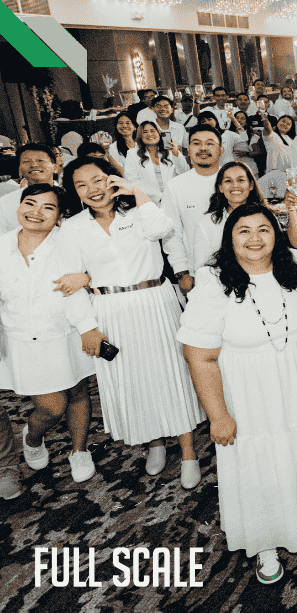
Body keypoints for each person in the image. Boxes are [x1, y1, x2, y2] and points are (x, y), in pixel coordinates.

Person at [179, 203, 297, 585]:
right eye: (243, 231)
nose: (254, 238)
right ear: (229, 238)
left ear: (276, 235)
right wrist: (219, 416)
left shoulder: (295, 265)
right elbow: (198, 356)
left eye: (263, 229)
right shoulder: (214, 280)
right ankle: (265, 541)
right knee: (259, 460)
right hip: (248, 392)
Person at [59, 158, 202, 487]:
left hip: (155, 303)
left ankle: (188, 452)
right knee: (134, 380)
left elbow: (162, 229)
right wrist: (87, 326)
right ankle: (155, 442)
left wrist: (135, 192)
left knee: (171, 376)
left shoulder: (139, 210)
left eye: (98, 180)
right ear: (75, 192)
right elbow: (69, 282)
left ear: (112, 179)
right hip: (109, 310)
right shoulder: (73, 228)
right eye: (82, 185)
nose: (93, 189)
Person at [2, 185, 106, 484]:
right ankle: (33, 436)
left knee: (77, 392)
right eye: (30, 203)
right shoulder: (2, 245)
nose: (36, 212)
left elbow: (94, 276)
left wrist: (87, 323)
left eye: (48, 207)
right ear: (18, 207)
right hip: (22, 337)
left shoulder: (68, 243)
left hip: (67, 331)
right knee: (51, 407)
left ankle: (79, 450)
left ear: (60, 216)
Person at [159, 125, 223, 288]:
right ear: (188, 150)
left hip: (239, 266)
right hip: (196, 272)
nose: (203, 148)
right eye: (196, 143)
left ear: (221, 150)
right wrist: (181, 271)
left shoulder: (234, 181)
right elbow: (171, 232)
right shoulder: (175, 185)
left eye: (210, 143)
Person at [180, 162, 266, 278]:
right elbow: (201, 269)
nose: (235, 185)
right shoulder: (207, 223)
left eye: (241, 180)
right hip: (222, 284)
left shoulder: (267, 218)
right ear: (220, 187)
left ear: (251, 185)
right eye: (228, 181)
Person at [122, 121, 186, 205]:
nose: (149, 134)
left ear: (159, 134)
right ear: (140, 136)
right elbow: (132, 180)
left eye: (153, 131)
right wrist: (159, 197)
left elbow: (184, 173)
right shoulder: (132, 154)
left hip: (173, 200)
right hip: (148, 202)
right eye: (145, 132)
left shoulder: (170, 151)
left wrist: (176, 153)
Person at [0, 143, 58, 233]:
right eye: (26, 161)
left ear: (55, 168)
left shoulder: (74, 197)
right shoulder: (5, 203)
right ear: (20, 171)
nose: (34, 165)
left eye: (40, 160)